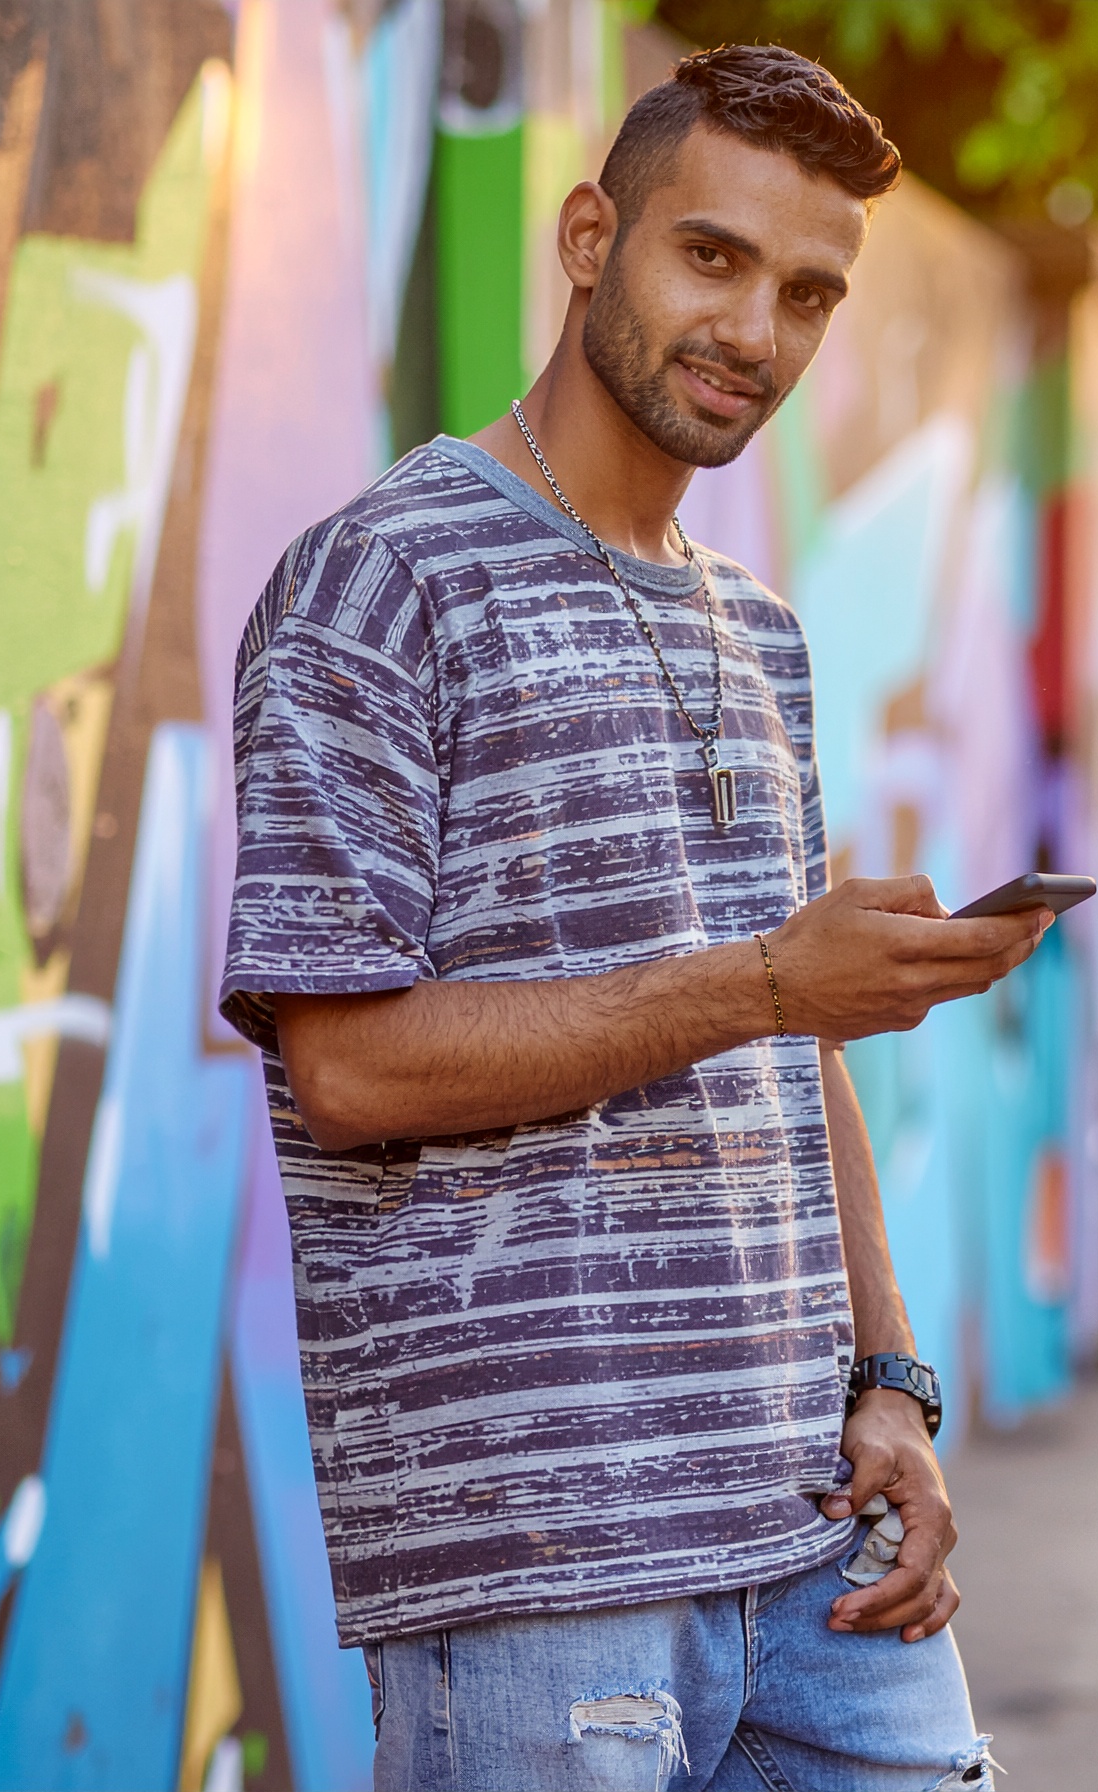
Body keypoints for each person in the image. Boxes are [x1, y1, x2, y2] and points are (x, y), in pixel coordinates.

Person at [218, 46, 1037, 1792]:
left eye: (809, 294)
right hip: (537, 1558)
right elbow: (347, 1069)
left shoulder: (764, 627)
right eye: (712, 258)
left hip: (809, 1525)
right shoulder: (381, 580)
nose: (756, 330)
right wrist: (760, 981)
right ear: (592, 236)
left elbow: (798, 1053)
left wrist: (890, 1381)